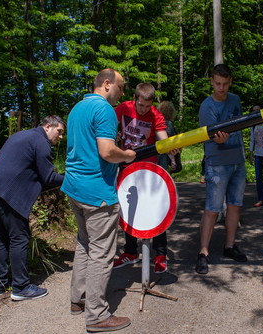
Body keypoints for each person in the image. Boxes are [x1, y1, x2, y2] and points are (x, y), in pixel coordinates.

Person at [61, 69, 135, 332]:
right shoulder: (104, 110)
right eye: (121, 87)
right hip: (97, 193)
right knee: (102, 253)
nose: (122, 93)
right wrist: (126, 154)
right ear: (107, 84)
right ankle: (97, 316)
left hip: (74, 188)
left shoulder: (77, 108)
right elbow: (106, 151)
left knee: (85, 244)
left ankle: (77, 299)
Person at [0, 115, 65, 301]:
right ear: (48, 126)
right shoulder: (41, 141)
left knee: (1, 236)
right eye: (59, 132)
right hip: (6, 193)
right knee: (19, 236)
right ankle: (21, 287)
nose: (60, 137)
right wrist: (71, 179)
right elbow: (48, 178)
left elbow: (33, 173)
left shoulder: (23, 135)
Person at [114, 83, 176, 274]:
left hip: (149, 170)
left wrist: (170, 148)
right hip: (126, 167)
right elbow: (106, 125)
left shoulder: (156, 115)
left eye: (147, 106)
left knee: (155, 210)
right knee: (128, 209)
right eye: (141, 105)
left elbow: (163, 138)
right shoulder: (123, 108)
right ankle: (130, 252)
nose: (143, 110)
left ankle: (160, 254)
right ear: (135, 99)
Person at [195, 64, 247, 275]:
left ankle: (229, 246)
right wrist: (221, 139)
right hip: (217, 163)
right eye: (217, 83)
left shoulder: (235, 100)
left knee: (235, 206)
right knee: (212, 209)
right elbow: (214, 138)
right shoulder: (206, 107)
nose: (221, 88)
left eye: (225, 84)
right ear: (211, 82)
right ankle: (203, 253)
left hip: (238, 161)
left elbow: (241, 125)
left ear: (230, 82)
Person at [157, 101, 180, 173]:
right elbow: (170, 143)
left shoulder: (155, 121)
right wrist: (173, 160)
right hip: (164, 156)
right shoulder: (169, 124)